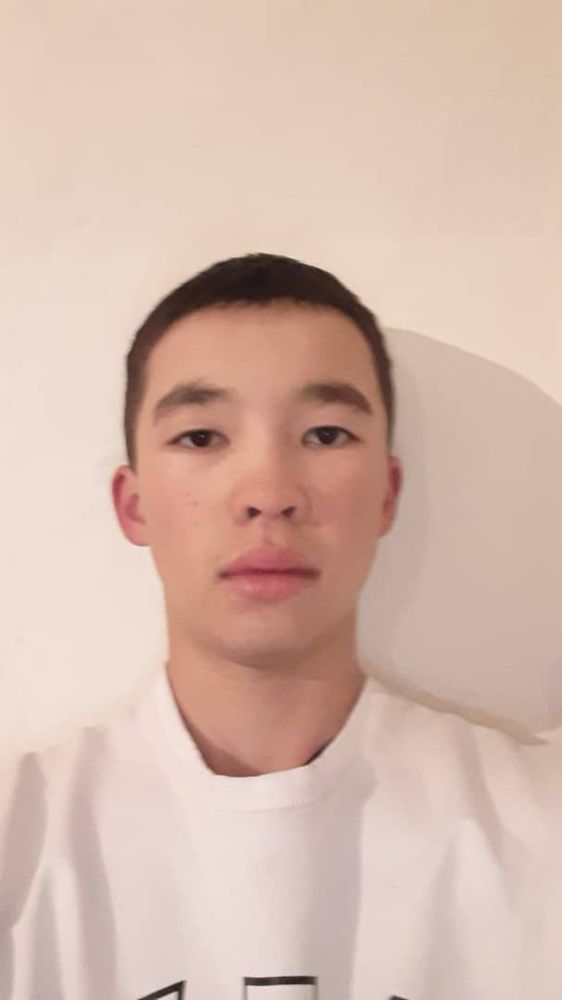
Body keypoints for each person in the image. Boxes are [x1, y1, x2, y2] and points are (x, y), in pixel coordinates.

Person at [1, 253, 560, 1000]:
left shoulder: (538, 835)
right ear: (133, 506)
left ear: (387, 495)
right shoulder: (23, 844)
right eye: (201, 437)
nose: (268, 492)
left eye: (325, 434)